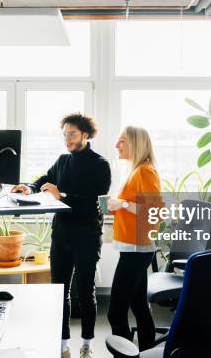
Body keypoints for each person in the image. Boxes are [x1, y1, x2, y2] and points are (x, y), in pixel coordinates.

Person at [12, 113, 111, 358]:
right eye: (65, 134)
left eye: (72, 134)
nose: (67, 139)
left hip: (87, 236)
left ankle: (87, 345)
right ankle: (63, 345)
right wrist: (30, 187)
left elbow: (93, 205)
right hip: (62, 235)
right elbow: (46, 179)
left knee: (86, 292)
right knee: (59, 292)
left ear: (86, 135)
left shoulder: (101, 165)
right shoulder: (62, 160)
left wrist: (62, 196)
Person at [106, 125, 162, 352]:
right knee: (139, 306)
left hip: (137, 250)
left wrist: (124, 204)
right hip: (134, 247)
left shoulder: (145, 171)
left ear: (135, 144)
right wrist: (118, 207)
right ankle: (147, 352)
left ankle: (124, 354)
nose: (116, 145)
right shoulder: (137, 170)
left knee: (115, 312)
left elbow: (154, 209)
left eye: (121, 141)